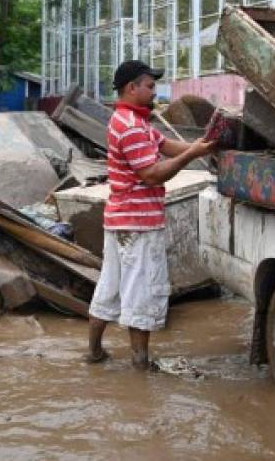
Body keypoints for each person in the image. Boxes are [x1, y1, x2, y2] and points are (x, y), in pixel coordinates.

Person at [86, 60, 217, 369]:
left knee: (110, 288)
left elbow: (166, 145)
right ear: (132, 88)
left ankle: (94, 353)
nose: (154, 90)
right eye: (150, 85)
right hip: (138, 223)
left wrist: (199, 146)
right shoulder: (131, 127)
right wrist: (193, 154)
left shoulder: (132, 121)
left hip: (120, 219)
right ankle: (141, 365)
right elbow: (153, 175)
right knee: (142, 294)